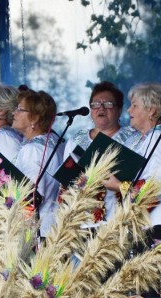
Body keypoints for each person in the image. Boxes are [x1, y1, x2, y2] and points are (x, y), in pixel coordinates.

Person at [103, 82, 161, 295]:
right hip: (142, 225)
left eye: (134, 105)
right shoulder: (138, 140)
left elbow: (156, 187)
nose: (129, 111)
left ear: (151, 110)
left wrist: (118, 185)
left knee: (158, 293)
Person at [63, 81, 134, 224]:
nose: (101, 108)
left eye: (108, 104)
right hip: (82, 225)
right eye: (95, 104)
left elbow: (141, 184)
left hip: (119, 223)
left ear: (119, 109)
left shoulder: (132, 139)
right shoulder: (76, 140)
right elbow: (65, 185)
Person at [13, 88, 64, 239]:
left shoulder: (32, 150)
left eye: (20, 109)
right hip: (53, 227)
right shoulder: (57, 144)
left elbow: (31, 198)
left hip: (38, 233)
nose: (14, 113)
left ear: (34, 118)